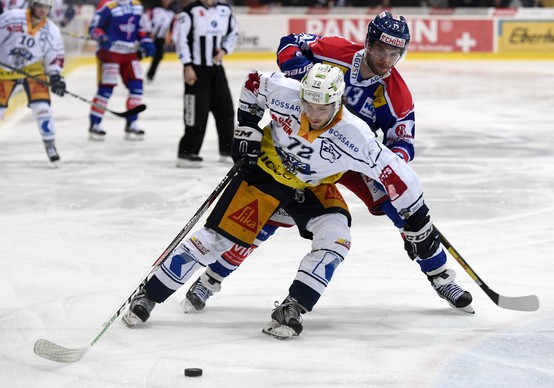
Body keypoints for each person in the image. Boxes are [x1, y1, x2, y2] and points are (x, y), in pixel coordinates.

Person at [122, 63, 463, 339]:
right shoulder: (286, 92)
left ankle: (293, 306)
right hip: (265, 176)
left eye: (322, 107)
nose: (313, 114)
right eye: (308, 105)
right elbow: (254, 82)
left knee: (337, 237)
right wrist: (247, 128)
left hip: (310, 187)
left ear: (339, 102)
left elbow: (400, 175)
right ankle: (149, 294)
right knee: (216, 240)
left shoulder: (354, 135)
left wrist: (418, 221)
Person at [181, 11, 473, 314]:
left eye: (394, 53)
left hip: (347, 157)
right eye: (380, 50)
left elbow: (402, 142)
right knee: (267, 216)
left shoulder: (396, 94)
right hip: (299, 146)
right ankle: (211, 278)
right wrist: (301, 73)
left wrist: (388, 169)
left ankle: (440, 276)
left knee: (404, 210)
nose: (386, 60)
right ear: (368, 42)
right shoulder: (335, 51)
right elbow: (289, 44)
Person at [0, 0, 66, 163]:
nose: (43, 10)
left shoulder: (52, 30)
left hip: (33, 71)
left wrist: (56, 76)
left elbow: (55, 55)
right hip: (4, 70)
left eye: (46, 7)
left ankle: (50, 145)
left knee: (43, 109)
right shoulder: (11, 18)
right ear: (32, 5)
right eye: (39, 6)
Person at [174, 0, 237, 167]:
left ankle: (227, 150)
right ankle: (187, 153)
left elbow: (233, 33)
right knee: (196, 111)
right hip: (195, 69)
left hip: (216, 68)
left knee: (225, 109)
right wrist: (187, 65)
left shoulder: (225, 10)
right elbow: (180, 40)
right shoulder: (189, 11)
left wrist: (224, 50)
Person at [87, 0, 155, 141]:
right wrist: (101, 37)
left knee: (137, 87)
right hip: (110, 54)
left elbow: (139, 28)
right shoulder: (107, 5)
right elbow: (94, 28)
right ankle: (95, 123)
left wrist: (145, 41)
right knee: (106, 90)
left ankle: (132, 122)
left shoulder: (137, 5)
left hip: (130, 53)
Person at [144, 0, 175, 82]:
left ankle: (150, 75)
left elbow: (172, 26)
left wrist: (171, 37)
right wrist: (149, 32)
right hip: (150, 37)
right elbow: (146, 18)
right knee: (143, 52)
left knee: (159, 55)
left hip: (160, 38)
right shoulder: (155, 10)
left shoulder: (171, 14)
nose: (167, 2)